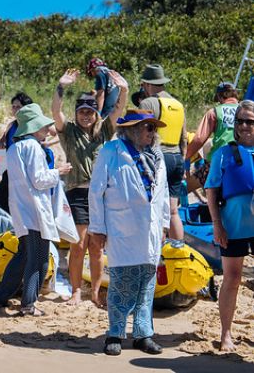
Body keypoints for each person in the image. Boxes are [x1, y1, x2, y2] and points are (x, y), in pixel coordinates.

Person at [89, 109, 169, 356]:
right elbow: (96, 191)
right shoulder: (111, 151)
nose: (152, 133)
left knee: (147, 283)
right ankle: (115, 333)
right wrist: (98, 228)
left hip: (150, 230)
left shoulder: (156, 155)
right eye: (148, 128)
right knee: (122, 282)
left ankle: (143, 334)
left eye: (154, 128)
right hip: (122, 227)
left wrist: (164, 223)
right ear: (132, 129)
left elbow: (163, 193)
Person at [52, 68, 128, 306]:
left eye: (90, 111)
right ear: (77, 113)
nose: (86, 115)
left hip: (102, 195)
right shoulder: (69, 132)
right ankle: (76, 291)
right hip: (77, 192)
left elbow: (118, 110)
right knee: (78, 245)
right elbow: (56, 111)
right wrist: (61, 86)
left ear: (96, 113)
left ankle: (94, 293)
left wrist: (123, 90)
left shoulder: (104, 130)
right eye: (82, 111)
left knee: (97, 248)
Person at [0, 103, 71, 316]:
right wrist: (58, 171)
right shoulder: (33, 147)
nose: (47, 130)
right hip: (35, 210)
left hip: (20, 208)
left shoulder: (14, 147)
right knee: (39, 259)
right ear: (33, 127)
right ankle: (28, 304)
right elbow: (39, 180)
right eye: (43, 126)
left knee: (23, 255)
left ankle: (1, 297)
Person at [204, 99, 254, 352]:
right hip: (233, 226)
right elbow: (212, 190)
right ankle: (226, 334)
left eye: (250, 121)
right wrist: (217, 225)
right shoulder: (223, 153)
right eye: (240, 121)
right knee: (232, 279)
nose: (244, 125)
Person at [138, 64, 185, 240]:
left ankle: (157, 253)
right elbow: (184, 139)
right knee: (173, 211)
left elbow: (140, 132)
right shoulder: (178, 104)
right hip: (177, 158)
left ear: (146, 84)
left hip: (158, 158)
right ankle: (178, 252)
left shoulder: (148, 103)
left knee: (156, 209)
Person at [187, 82, 239, 188]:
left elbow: (199, 139)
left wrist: (186, 155)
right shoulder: (247, 111)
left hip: (219, 161)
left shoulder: (214, 112)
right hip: (244, 159)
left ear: (220, 96)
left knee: (186, 187)